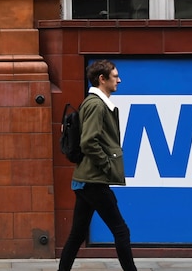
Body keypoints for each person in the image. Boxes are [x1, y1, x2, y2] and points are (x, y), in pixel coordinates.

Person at [58, 59, 137, 271]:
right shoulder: (96, 105)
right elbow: (88, 141)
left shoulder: (96, 103)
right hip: (94, 180)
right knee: (121, 230)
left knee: (77, 233)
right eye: (115, 76)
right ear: (102, 79)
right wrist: (107, 166)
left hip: (87, 179)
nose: (119, 80)